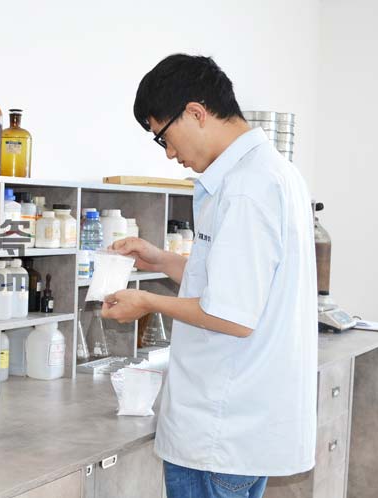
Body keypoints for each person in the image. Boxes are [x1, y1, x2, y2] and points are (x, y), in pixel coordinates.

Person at [103, 54, 318, 498]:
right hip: (237, 423)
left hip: (222, 430)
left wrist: (148, 302)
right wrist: (160, 259)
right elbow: (234, 281)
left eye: (164, 136)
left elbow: (231, 314)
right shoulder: (270, 173)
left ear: (196, 112)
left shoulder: (246, 188)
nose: (170, 153)